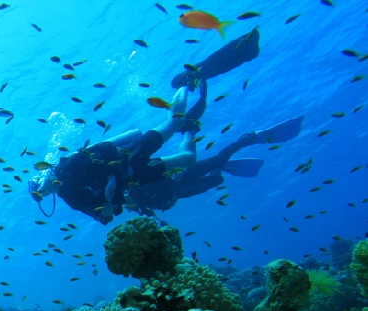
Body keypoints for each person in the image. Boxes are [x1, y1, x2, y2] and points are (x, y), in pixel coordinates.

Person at [29, 28, 262, 225]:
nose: (46, 189)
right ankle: (191, 129)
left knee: (175, 121)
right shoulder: (70, 197)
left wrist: (114, 174)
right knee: (187, 159)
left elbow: (105, 148)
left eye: (41, 186)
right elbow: (102, 215)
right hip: (136, 177)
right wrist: (108, 209)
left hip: (130, 155)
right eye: (42, 193)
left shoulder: (68, 166)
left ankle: (186, 82)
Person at [125, 113, 304, 215]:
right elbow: (148, 211)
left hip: (182, 176)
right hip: (179, 192)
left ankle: (246, 140)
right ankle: (222, 165)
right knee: (216, 181)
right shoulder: (132, 202)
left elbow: (157, 170)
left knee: (217, 160)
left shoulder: (130, 183)